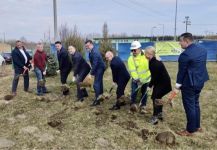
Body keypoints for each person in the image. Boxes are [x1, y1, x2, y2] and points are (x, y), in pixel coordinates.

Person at [174, 33, 209, 136]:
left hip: (189, 84)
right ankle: (197, 126)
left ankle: (190, 130)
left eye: (180, 41)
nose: (179, 43)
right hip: (200, 81)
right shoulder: (203, 50)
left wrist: (177, 87)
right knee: (195, 104)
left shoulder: (185, 55)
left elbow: (181, 72)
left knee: (190, 106)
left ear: (187, 41)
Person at [144, 46, 172, 125]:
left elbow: (154, 77)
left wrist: (149, 86)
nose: (144, 55)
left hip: (163, 84)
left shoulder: (155, 64)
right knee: (158, 97)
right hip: (161, 83)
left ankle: (155, 117)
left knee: (155, 98)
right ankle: (160, 114)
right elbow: (154, 76)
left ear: (149, 54)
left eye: (145, 53)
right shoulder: (152, 61)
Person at [127, 41, 151, 113]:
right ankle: (132, 107)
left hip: (146, 79)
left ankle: (143, 107)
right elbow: (133, 71)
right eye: (132, 50)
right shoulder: (131, 59)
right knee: (134, 92)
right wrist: (137, 80)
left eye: (135, 50)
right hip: (136, 80)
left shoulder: (146, 54)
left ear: (139, 49)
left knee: (145, 93)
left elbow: (154, 61)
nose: (133, 51)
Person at [85, 40, 106, 106]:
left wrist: (91, 74)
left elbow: (95, 64)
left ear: (91, 44)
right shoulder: (91, 51)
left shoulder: (94, 52)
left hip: (100, 68)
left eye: (88, 46)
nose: (87, 47)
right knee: (99, 82)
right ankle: (101, 96)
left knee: (96, 84)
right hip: (99, 68)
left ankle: (97, 100)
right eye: (86, 46)